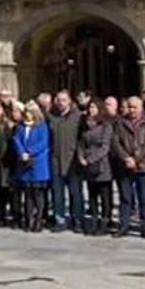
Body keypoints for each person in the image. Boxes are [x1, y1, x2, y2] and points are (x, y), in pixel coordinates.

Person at [112, 96, 145, 239]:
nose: (132, 110)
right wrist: (126, 158)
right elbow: (116, 143)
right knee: (125, 198)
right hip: (124, 165)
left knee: (144, 198)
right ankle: (124, 225)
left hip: (142, 165)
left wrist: (136, 159)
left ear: (141, 107)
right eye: (129, 107)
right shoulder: (119, 123)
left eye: (134, 107)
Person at [47, 90, 84, 233]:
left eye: (63, 100)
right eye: (58, 100)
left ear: (69, 101)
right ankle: (60, 219)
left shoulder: (78, 117)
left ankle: (77, 219)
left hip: (73, 161)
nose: (61, 102)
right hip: (56, 160)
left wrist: (80, 156)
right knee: (57, 193)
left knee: (76, 193)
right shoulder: (51, 117)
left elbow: (82, 139)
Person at [13, 102, 51, 233]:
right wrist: (21, 152)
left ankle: (39, 220)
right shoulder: (21, 126)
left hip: (37, 163)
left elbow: (43, 143)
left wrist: (29, 152)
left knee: (38, 194)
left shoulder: (41, 126)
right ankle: (28, 220)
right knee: (28, 195)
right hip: (24, 164)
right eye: (26, 113)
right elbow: (16, 139)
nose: (27, 115)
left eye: (29, 112)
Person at [78, 99, 113, 236]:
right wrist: (81, 157)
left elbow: (105, 147)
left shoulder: (105, 126)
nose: (91, 110)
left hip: (101, 165)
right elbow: (80, 143)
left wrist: (91, 159)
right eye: (89, 107)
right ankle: (93, 220)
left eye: (93, 107)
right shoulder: (85, 125)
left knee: (104, 196)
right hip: (87, 164)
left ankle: (105, 222)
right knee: (92, 196)